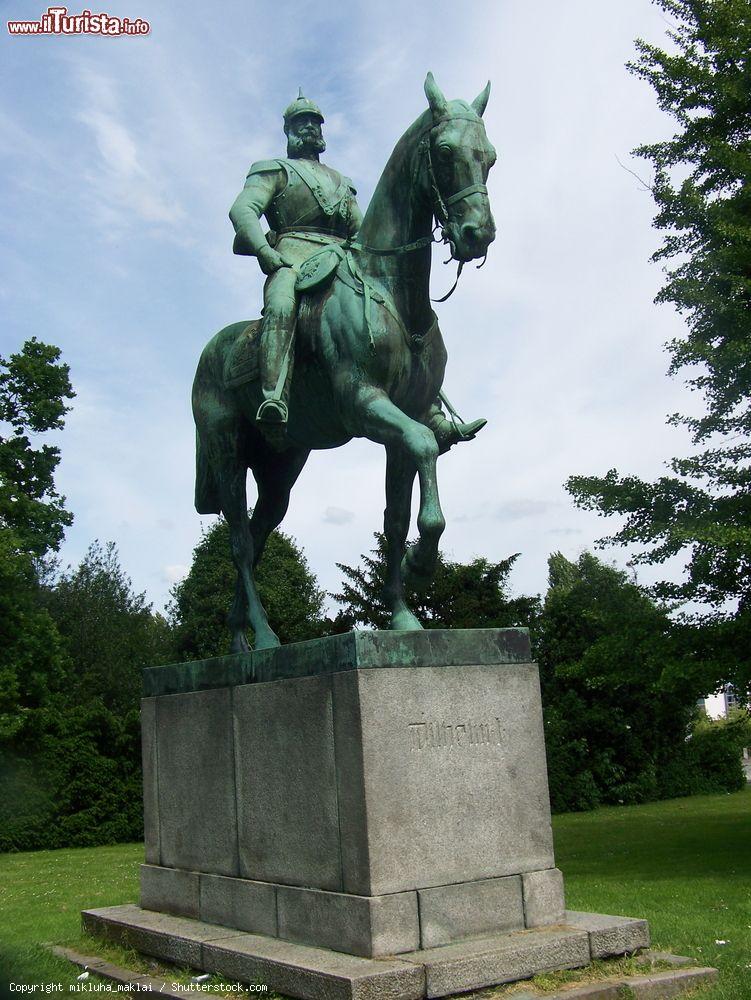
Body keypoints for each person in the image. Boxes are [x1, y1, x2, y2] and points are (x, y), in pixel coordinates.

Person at [230, 90, 485, 450]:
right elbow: (243, 210)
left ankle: (429, 408)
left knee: (401, 318)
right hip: (292, 258)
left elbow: (362, 232)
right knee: (281, 303)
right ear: (288, 131)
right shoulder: (273, 171)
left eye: (314, 123)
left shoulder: (341, 182)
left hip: (340, 259)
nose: (309, 129)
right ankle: (275, 396)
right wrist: (264, 251)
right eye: (301, 123)